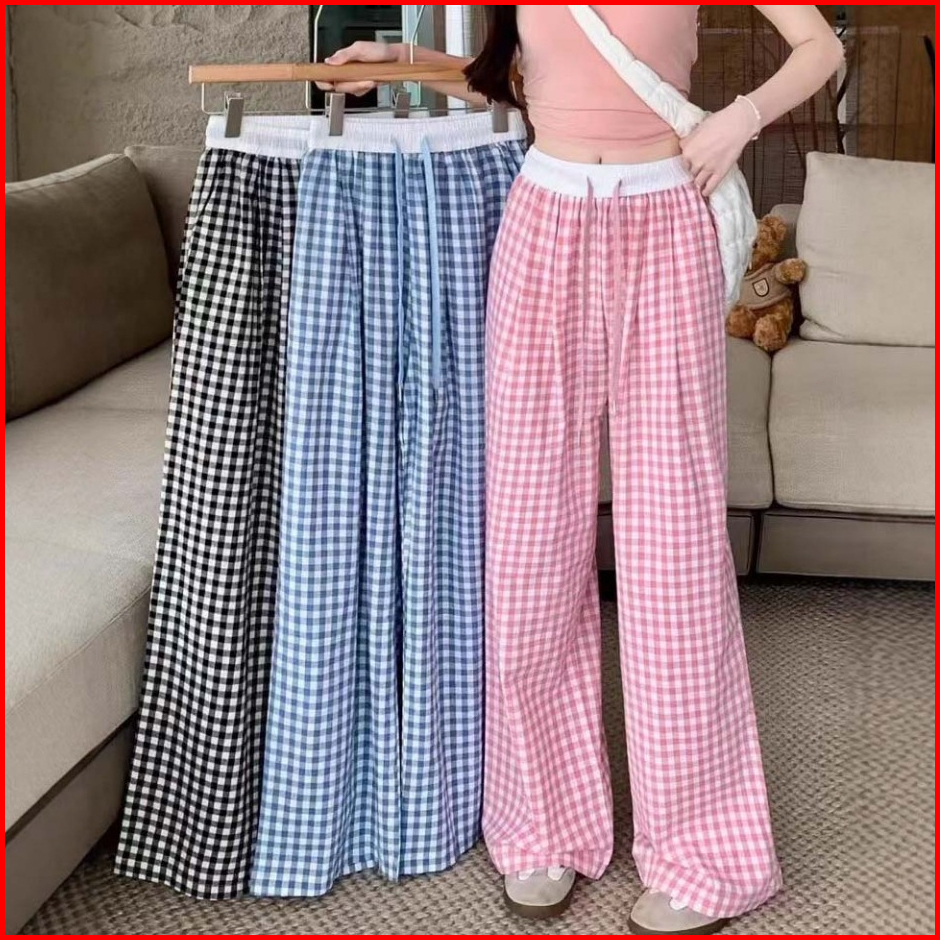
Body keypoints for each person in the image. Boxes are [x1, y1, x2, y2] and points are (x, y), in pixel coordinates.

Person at [319, 6, 843, 935]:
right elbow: (519, 85)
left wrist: (739, 119)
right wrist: (399, 60)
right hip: (543, 221)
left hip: (666, 223)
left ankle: (703, 850)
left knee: (674, 559)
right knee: (529, 555)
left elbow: (821, 48)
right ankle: (543, 825)